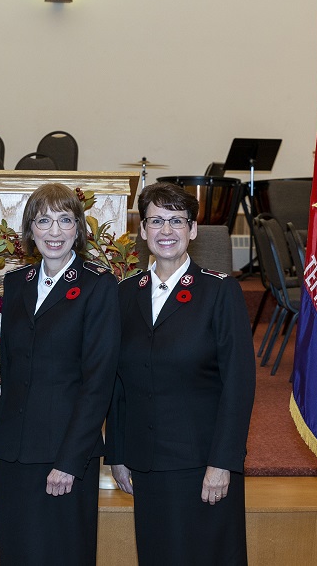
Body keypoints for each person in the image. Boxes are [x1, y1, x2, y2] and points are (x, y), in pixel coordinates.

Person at [105, 182, 256, 565]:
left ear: (193, 230)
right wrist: (118, 453)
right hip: (147, 463)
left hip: (202, 464)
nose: (166, 231)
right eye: (156, 220)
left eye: (176, 220)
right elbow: (117, 382)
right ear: (142, 230)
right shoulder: (125, 294)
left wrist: (222, 462)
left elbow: (238, 386)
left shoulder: (220, 293)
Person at [0, 183, 120, 565]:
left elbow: (98, 381)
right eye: (44, 221)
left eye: (65, 220)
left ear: (79, 228)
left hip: (65, 450)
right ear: (30, 230)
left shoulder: (98, 285)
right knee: (16, 552)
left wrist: (68, 460)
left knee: (64, 554)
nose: (55, 232)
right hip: (14, 450)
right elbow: (11, 369)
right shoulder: (16, 284)